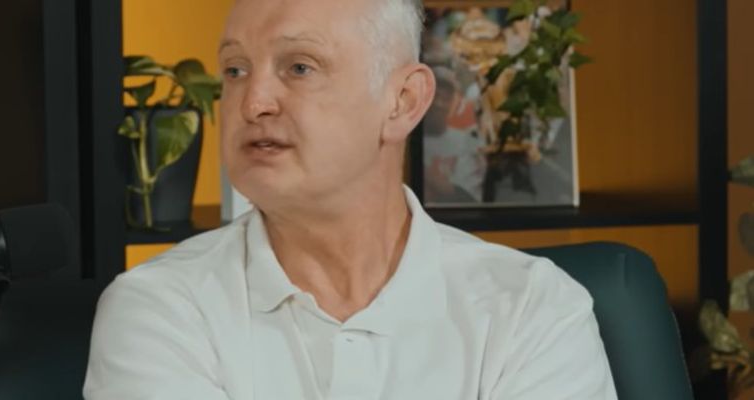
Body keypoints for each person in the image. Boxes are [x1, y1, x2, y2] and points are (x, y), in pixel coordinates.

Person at [84, 0, 617, 398]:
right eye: (235, 71)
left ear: (403, 101)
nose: (253, 102)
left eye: (299, 67)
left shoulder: (533, 309)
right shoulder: (159, 310)